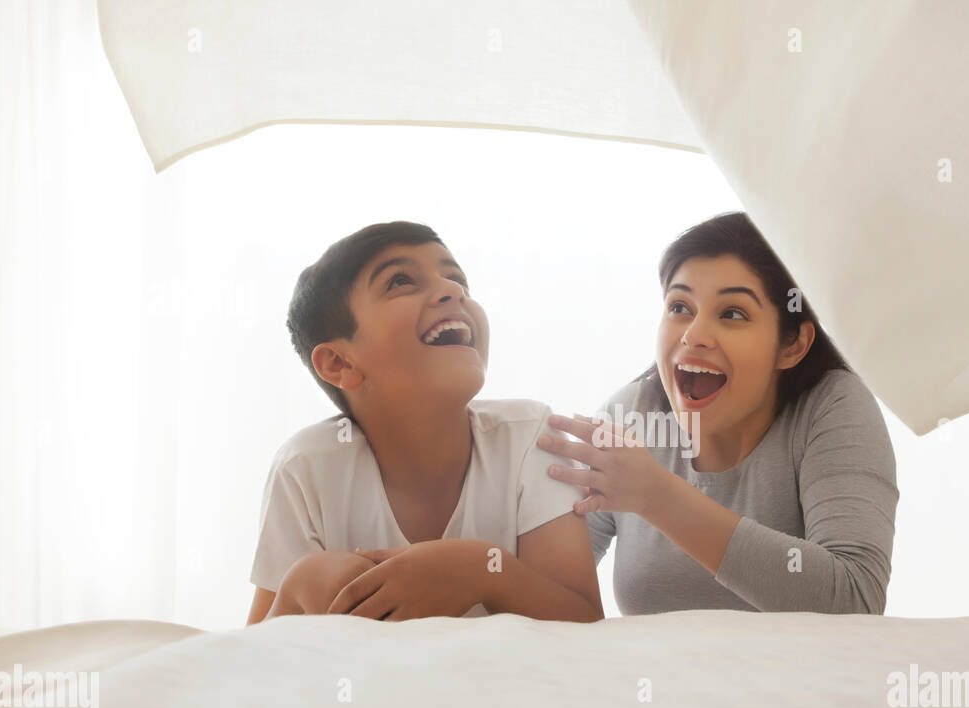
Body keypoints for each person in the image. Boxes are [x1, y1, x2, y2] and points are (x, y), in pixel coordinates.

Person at [246, 221, 602, 624]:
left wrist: (482, 570)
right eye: (400, 281)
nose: (454, 291)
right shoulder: (305, 468)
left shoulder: (531, 436)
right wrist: (300, 585)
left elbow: (583, 623)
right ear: (340, 363)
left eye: (455, 277)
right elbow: (257, 659)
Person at [542, 212, 897, 614]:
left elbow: (856, 598)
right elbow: (545, 588)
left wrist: (659, 497)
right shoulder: (630, 416)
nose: (693, 336)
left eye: (732, 314)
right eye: (680, 306)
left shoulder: (830, 407)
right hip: (657, 677)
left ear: (793, 344)